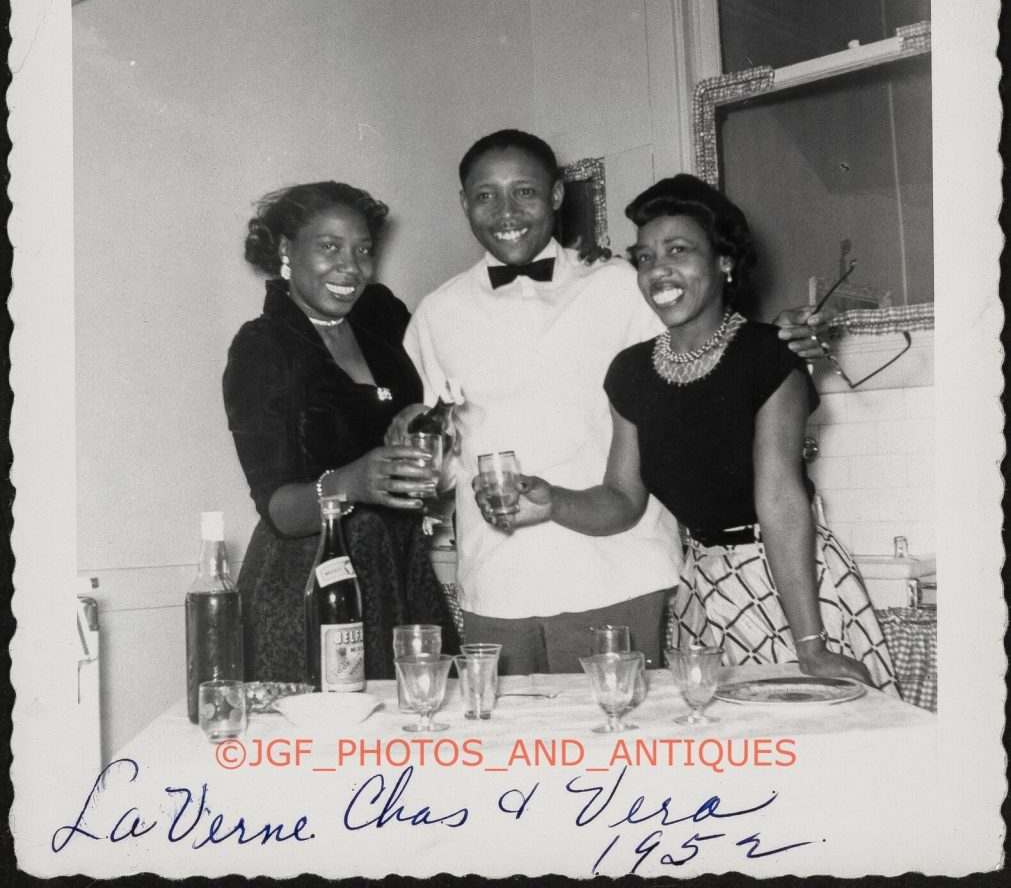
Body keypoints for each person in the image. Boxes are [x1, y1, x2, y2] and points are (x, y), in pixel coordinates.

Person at [400, 130, 830, 676]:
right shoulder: (435, 314)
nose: (506, 211)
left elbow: (714, 346)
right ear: (464, 204)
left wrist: (786, 335)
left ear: (557, 195)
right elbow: (435, 461)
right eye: (485, 195)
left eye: (525, 192)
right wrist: (416, 453)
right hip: (496, 582)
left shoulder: (623, 282)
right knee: (512, 755)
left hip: (619, 572)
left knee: (624, 744)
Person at [490, 174, 897, 690]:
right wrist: (553, 503)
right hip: (703, 589)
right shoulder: (631, 372)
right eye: (644, 257)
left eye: (678, 250)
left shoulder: (769, 354)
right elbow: (621, 499)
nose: (658, 269)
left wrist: (811, 646)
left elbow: (780, 501)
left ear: (724, 261)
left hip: (793, 588)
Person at [223, 181, 460, 683]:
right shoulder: (262, 348)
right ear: (286, 250)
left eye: (363, 250)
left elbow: (451, 385)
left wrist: (424, 410)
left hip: (401, 568)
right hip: (309, 582)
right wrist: (352, 482)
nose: (350, 267)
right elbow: (280, 510)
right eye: (329, 247)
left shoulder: (383, 315)